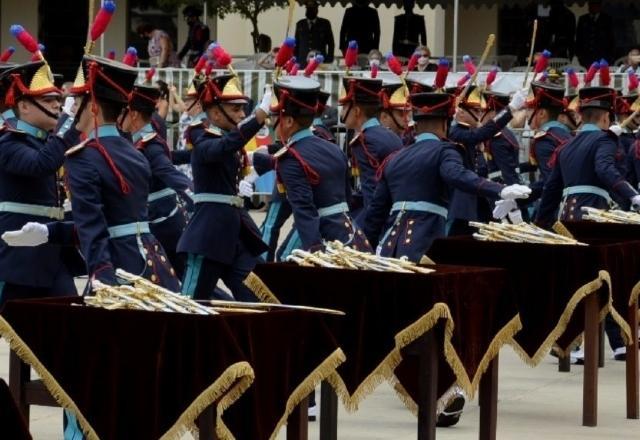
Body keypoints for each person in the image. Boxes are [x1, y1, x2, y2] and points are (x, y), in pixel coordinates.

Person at [363, 89, 531, 261]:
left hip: (389, 248)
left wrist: (362, 252)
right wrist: (500, 190)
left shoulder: (394, 158)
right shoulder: (445, 151)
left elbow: (375, 214)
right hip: (425, 244)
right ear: (446, 124)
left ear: (416, 124)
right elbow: (457, 175)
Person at [177, 72, 270, 301]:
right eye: (235, 109)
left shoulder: (227, 140)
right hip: (209, 233)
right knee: (192, 305)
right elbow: (224, 146)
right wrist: (257, 118)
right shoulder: (205, 139)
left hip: (235, 231)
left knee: (260, 298)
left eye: (243, 109)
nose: (241, 115)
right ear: (217, 113)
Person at [256, 75, 370, 258]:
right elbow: (347, 198)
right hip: (350, 233)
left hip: (320, 234)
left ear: (289, 121)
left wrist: (314, 252)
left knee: (284, 261)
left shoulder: (291, 157)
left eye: (275, 117)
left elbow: (304, 211)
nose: (271, 122)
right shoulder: (334, 149)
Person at [0, 60, 77, 305]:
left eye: (57, 99)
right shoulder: (9, 142)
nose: (56, 105)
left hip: (51, 253)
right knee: (19, 338)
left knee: (69, 323)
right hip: (17, 258)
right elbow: (40, 165)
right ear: (23, 105)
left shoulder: (45, 142)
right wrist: (67, 123)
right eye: (47, 101)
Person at [536, 86, 640, 227]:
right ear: (606, 117)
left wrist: (540, 222)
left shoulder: (564, 147)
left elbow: (551, 189)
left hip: (566, 216)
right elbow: (604, 168)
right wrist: (633, 194)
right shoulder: (605, 139)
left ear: (582, 117)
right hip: (592, 213)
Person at [119, 83, 193, 279]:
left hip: (165, 221)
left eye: (122, 112)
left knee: (189, 285)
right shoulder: (135, 139)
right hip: (152, 220)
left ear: (133, 115)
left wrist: (198, 197)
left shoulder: (148, 143)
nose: (118, 117)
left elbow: (169, 171)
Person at [447, 85, 529, 235]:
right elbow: (481, 134)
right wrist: (510, 109)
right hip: (462, 200)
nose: (480, 115)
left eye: (481, 111)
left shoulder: (468, 133)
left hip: (480, 197)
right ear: (461, 112)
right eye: (476, 111)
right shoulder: (456, 132)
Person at [339, 77, 403, 222]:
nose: (342, 114)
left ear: (356, 111)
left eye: (344, 108)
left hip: (382, 218)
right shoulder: (389, 135)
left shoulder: (364, 140)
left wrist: (368, 232)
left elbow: (373, 194)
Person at [526, 81, 574, 205]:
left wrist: (541, 218)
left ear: (541, 113)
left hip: (561, 207)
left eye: (530, 110)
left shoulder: (545, 139)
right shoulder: (564, 135)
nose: (527, 115)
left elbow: (551, 184)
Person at [481, 90, 522, 185]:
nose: (479, 115)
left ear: (493, 114)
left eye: (482, 111)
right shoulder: (504, 132)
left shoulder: (498, 138)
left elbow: (508, 174)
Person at [294, 1, 335, 66]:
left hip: (320, 61)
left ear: (317, 9)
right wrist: (296, 59)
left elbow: (331, 43)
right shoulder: (300, 24)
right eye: (308, 8)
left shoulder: (325, 23)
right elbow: (296, 44)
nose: (310, 10)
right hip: (302, 61)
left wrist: (329, 59)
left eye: (312, 8)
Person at [575, 1, 615, 67]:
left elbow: (611, 38)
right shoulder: (583, 19)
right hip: (586, 56)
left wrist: (611, 56)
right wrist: (579, 54)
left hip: (603, 55)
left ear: (599, 6)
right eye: (590, 5)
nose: (592, 7)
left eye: (595, 5)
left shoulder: (607, 19)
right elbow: (578, 37)